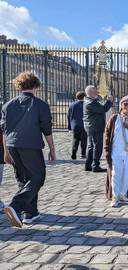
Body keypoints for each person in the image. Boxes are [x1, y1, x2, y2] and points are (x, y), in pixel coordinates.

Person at [2, 71, 55, 227]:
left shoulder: (7, 105)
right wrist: (52, 149)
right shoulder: (41, 104)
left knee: (24, 179)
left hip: (12, 145)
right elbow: (47, 129)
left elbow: (4, 130)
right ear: (36, 85)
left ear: (19, 86)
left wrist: (6, 151)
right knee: (38, 176)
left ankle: (30, 214)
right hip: (30, 145)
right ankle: (15, 206)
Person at [104, 95, 128, 207]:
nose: (127, 107)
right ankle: (115, 196)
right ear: (121, 105)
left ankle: (123, 194)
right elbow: (107, 136)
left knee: (127, 173)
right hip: (116, 151)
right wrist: (106, 151)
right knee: (116, 173)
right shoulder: (114, 118)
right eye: (125, 104)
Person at [83, 85, 113, 172]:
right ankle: (95, 165)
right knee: (97, 146)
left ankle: (88, 165)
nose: (97, 92)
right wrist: (109, 101)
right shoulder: (90, 102)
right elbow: (103, 109)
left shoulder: (90, 100)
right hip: (95, 126)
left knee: (91, 146)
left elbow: (100, 107)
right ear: (92, 92)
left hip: (91, 126)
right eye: (96, 91)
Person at [67, 91, 87, 160]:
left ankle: (74, 153)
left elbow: (69, 116)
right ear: (84, 97)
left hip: (75, 125)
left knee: (75, 140)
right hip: (84, 125)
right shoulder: (86, 104)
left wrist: (69, 127)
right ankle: (83, 154)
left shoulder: (72, 105)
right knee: (84, 140)